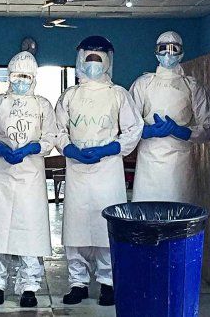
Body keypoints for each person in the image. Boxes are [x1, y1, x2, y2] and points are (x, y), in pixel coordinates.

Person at [55, 36, 143, 306]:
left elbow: (134, 128)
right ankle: (77, 282)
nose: (92, 63)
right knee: (76, 227)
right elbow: (57, 130)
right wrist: (69, 149)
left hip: (108, 169)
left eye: (98, 58)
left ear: (107, 62)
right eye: (88, 58)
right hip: (77, 169)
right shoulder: (69, 96)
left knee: (106, 226)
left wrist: (110, 149)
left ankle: (108, 283)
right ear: (80, 59)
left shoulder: (118, 94)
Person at [0, 51, 57, 308]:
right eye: (16, 75)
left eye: (26, 76)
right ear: (8, 76)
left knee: (29, 230)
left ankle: (29, 286)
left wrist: (32, 148)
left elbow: (50, 137)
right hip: (2, 173)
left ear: (33, 78)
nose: (20, 80)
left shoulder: (43, 105)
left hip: (31, 175)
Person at [130, 31, 210, 203]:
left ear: (181, 53)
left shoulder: (192, 86)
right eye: (163, 49)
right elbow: (127, 124)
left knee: (180, 215)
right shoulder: (143, 85)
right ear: (156, 52)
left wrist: (183, 132)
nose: (168, 54)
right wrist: (146, 131)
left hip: (180, 164)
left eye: (174, 49)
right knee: (148, 216)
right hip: (149, 164)